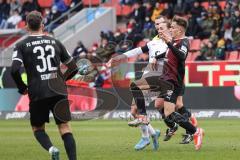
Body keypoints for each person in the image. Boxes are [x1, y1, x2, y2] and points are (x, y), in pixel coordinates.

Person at [11, 11, 78, 160]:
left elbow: (14, 69)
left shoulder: (21, 45)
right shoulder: (55, 42)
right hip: (58, 90)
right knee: (65, 127)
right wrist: (62, 80)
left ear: (27, 26)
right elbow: (74, 67)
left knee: (37, 128)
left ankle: (52, 149)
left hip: (38, 92)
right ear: (43, 24)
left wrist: (22, 88)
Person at [156, 16, 204, 150]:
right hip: (165, 79)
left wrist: (169, 42)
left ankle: (195, 131)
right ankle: (175, 126)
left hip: (173, 80)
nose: (170, 29)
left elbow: (182, 56)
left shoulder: (183, 42)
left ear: (180, 29)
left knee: (170, 112)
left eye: (172, 27)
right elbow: (167, 54)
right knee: (158, 104)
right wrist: (156, 57)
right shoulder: (174, 41)